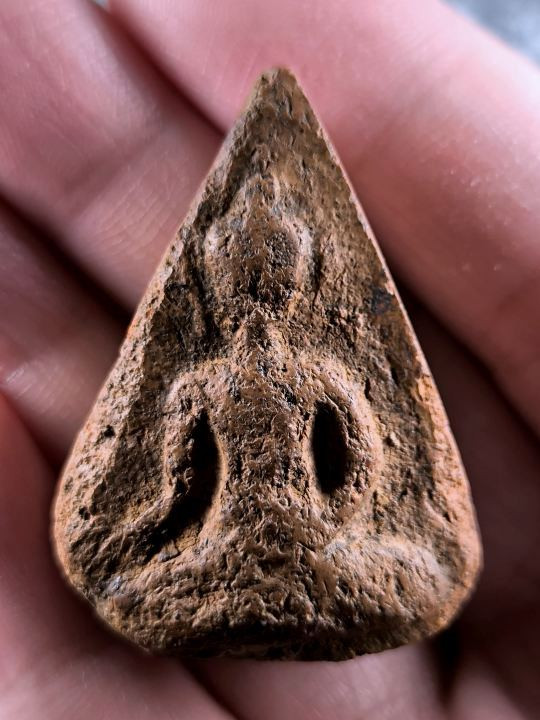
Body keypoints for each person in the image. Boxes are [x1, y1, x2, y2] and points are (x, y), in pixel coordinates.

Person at [0, 1, 539, 717]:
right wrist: (323, 531)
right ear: (298, 282)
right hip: (313, 546)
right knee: (415, 576)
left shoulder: (213, 381)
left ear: (220, 286)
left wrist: (141, 544)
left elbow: (179, 495)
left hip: (229, 545)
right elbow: (355, 480)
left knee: (141, 589)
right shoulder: (313, 375)